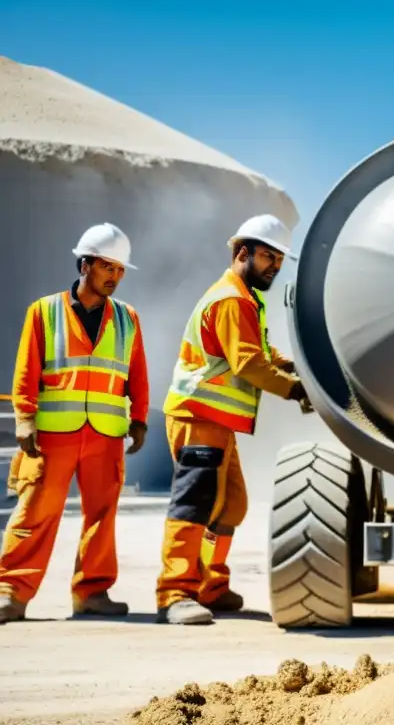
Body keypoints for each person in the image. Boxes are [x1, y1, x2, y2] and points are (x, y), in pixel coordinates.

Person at [155, 214, 307, 625]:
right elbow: (248, 364)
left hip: (217, 421)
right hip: (198, 415)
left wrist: (299, 367)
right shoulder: (231, 300)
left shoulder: (244, 299)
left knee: (232, 504)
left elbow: (263, 353)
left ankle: (209, 585)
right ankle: (175, 592)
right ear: (243, 253)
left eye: (278, 259)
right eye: (267, 256)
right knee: (196, 504)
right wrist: (295, 389)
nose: (274, 266)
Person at [0, 223, 149, 623]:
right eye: (107, 267)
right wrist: (25, 419)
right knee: (35, 510)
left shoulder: (127, 318)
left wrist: (139, 419)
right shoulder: (44, 311)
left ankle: (93, 592)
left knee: (102, 515)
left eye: (119, 269)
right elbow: (26, 369)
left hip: (104, 433)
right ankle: (10, 591)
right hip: (52, 434)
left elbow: (137, 373)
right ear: (85, 264)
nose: (115, 276)